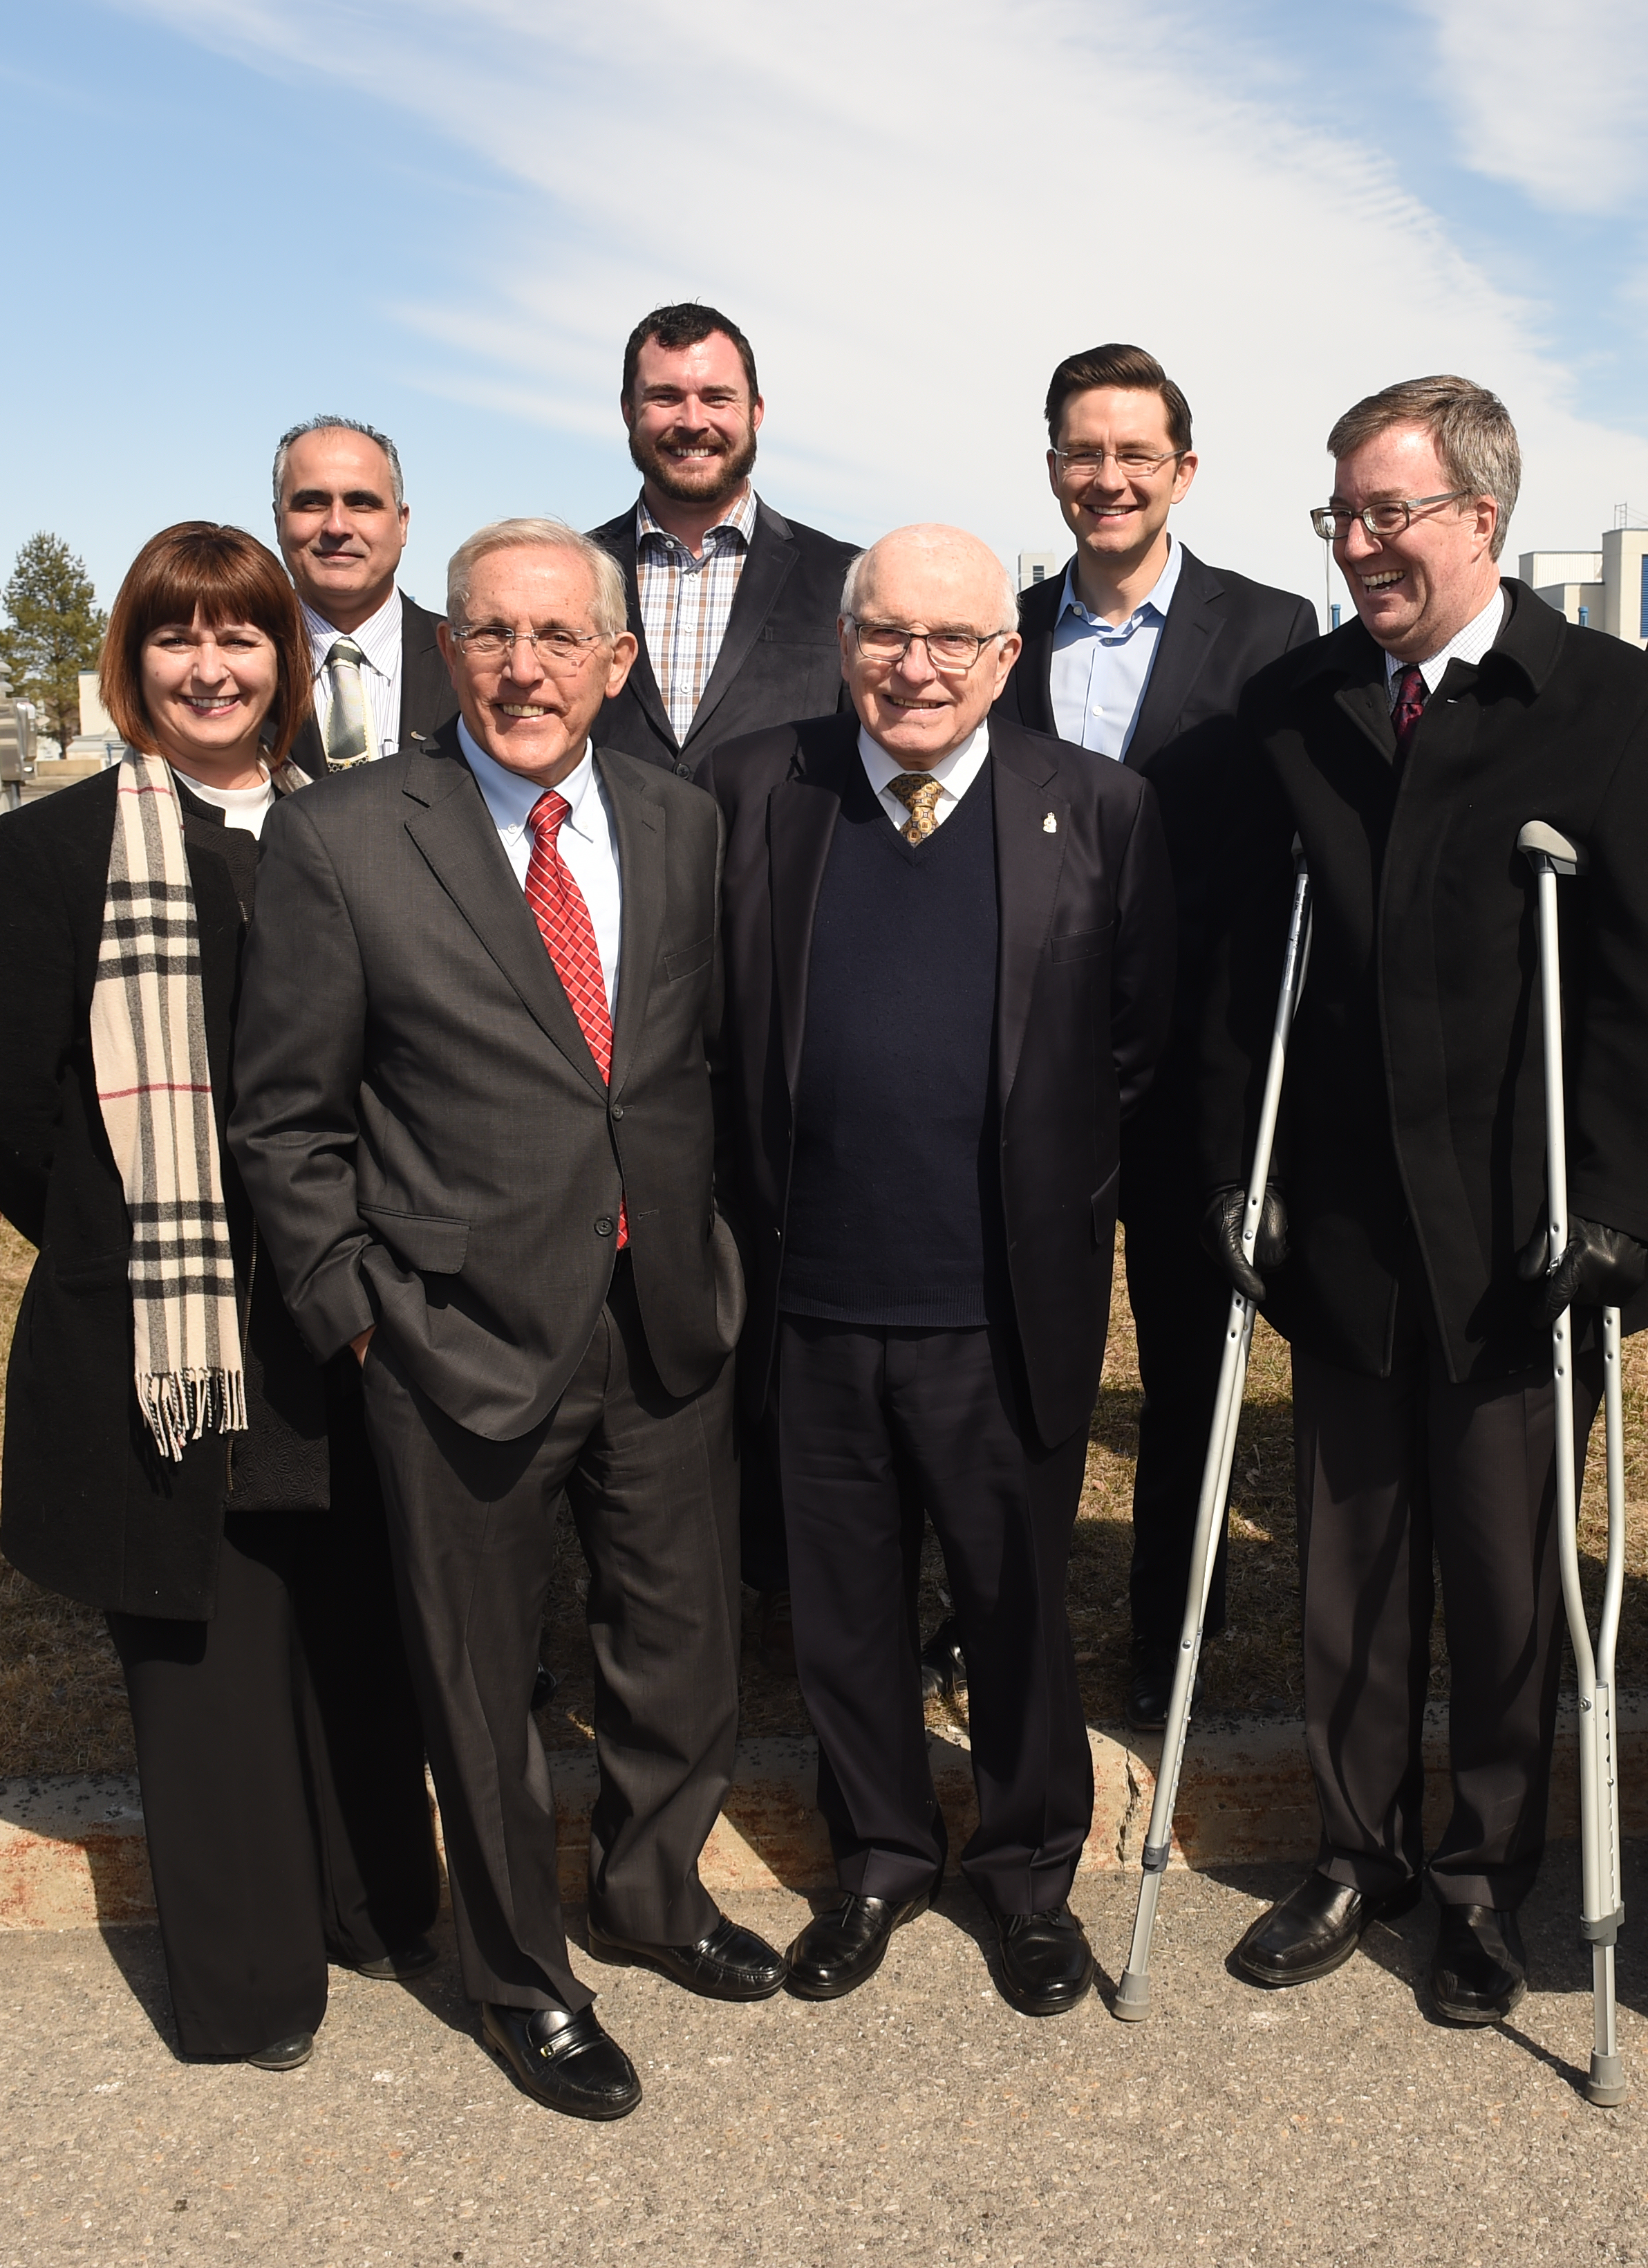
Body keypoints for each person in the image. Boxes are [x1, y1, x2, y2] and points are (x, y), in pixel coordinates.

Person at [1193, 377, 1648, 2025]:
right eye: (1339, 515)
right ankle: (1361, 1851)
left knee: (1508, 1571)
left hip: (1523, 1230)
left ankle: (1490, 1875)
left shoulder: (1615, 708)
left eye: (1386, 514)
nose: (1358, 545)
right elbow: (1236, 975)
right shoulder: (1294, 707)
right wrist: (1241, 1171)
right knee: (1349, 1567)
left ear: (1482, 522)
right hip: (1348, 1221)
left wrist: (1627, 1212)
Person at [230, 517, 778, 2123]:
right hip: (449, 1331)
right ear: (448, 650)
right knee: (478, 1683)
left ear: (618, 662)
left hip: (663, 1308)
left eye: (558, 636)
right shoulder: (344, 837)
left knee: (679, 1645)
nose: (523, 666)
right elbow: (285, 1122)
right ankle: (522, 1978)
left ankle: (654, 1892)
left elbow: (699, 1069)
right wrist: (357, 1314)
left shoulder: (682, 823)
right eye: (489, 634)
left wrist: (718, 1252)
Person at [0, 521, 440, 2073]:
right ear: (131, 661)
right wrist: (122, 1226)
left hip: (340, 1314)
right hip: (170, 1333)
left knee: (360, 1636)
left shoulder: (349, 832)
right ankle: (251, 1985)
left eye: (243, 637)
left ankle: (384, 1907)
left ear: (290, 659)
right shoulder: (53, 851)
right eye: (175, 638)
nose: (210, 668)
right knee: (210, 1668)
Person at [700, 525, 1170, 2018]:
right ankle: (883, 1853)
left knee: (1018, 1605)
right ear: (844, 642)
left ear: (1005, 657)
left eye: (952, 640)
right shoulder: (756, 790)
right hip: (812, 1296)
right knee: (842, 1612)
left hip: (998, 1305)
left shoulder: (1096, 807)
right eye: (887, 633)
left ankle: (1028, 1873)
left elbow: (1136, 1047)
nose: (915, 665)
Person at [1003, 342, 1322, 1729]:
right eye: (1085, 451)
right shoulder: (998, 632)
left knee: (1193, 1367)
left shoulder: (1272, 631)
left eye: (1137, 453)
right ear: (1054, 465)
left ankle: (1168, 1631)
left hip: (1204, 1069)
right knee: (1018, 1356)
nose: (1109, 477)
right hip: (1027, 1068)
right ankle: (995, 1608)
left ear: (1182, 472)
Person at [592, 303, 863, 790]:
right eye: (665, 397)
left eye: (717, 398)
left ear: (755, 412)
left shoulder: (845, 577)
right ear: (629, 411)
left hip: (780, 866)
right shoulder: (574, 572)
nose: (693, 421)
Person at [271, 416, 458, 766]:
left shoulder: (470, 660)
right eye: (312, 503)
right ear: (279, 522)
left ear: (402, 523)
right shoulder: (236, 668)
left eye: (362, 503)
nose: (337, 526)